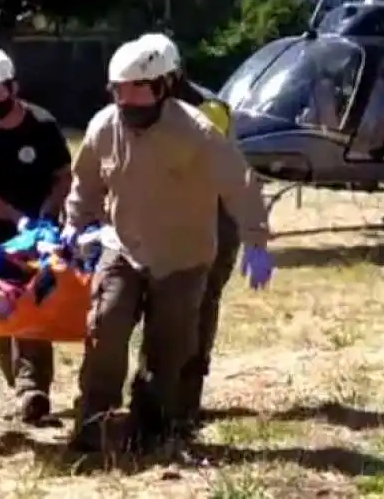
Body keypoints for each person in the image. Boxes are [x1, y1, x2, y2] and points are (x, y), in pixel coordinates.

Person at [64, 38, 273, 455]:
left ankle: (151, 427)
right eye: (119, 89)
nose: (128, 99)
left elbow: (239, 182)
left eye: (138, 88)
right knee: (104, 326)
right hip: (124, 247)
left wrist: (256, 239)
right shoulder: (104, 127)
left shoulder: (196, 131)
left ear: (163, 86)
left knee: (168, 348)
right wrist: (73, 223)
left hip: (184, 257)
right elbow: (86, 180)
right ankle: (94, 422)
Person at [0, 46, 72, 424]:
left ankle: (32, 388)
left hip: (43, 233)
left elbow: (62, 174)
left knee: (36, 300)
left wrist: (49, 213)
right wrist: (17, 219)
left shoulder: (42, 124)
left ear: (13, 86)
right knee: (5, 306)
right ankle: (19, 385)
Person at [138, 32, 242, 435]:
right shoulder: (140, 102)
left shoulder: (208, 109)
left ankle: (186, 402)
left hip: (212, 217)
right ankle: (156, 396)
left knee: (198, 306)